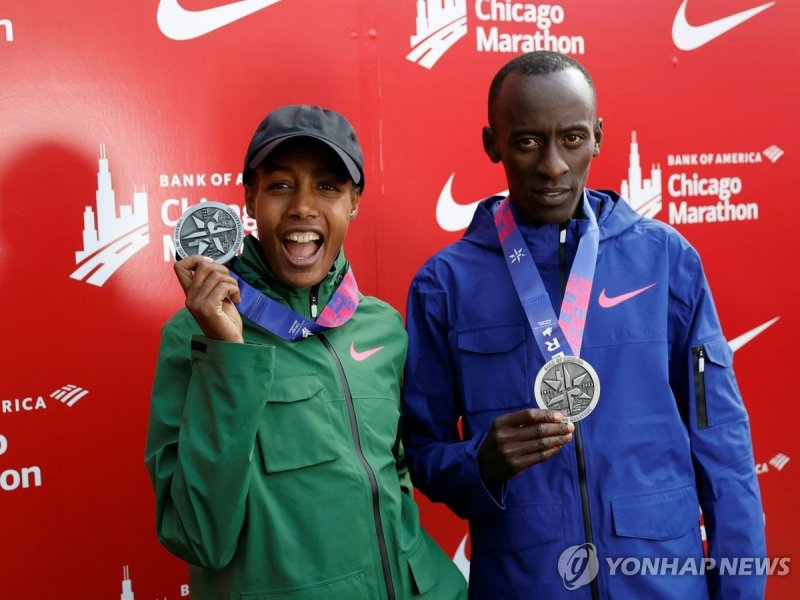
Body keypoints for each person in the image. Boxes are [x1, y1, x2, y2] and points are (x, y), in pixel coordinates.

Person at [401, 52, 766, 599]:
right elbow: (422, 452)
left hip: (663, 582)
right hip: (527, 584)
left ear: (597, 137)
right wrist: (480, 463)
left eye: (572, 138)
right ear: (492, 144)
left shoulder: (665, 259)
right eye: (528, 141)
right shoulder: (445, 285)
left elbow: (722, 443)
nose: (552, 166)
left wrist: (741, 591)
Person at [145, 104, 467, 600]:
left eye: (328, 186)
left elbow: (392, 480)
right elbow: (198, 537)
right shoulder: (196, 336)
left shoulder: (382, 326)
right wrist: (228, 356)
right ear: (250, 198)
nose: (303, 206)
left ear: (354, 202)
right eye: (280, 185)